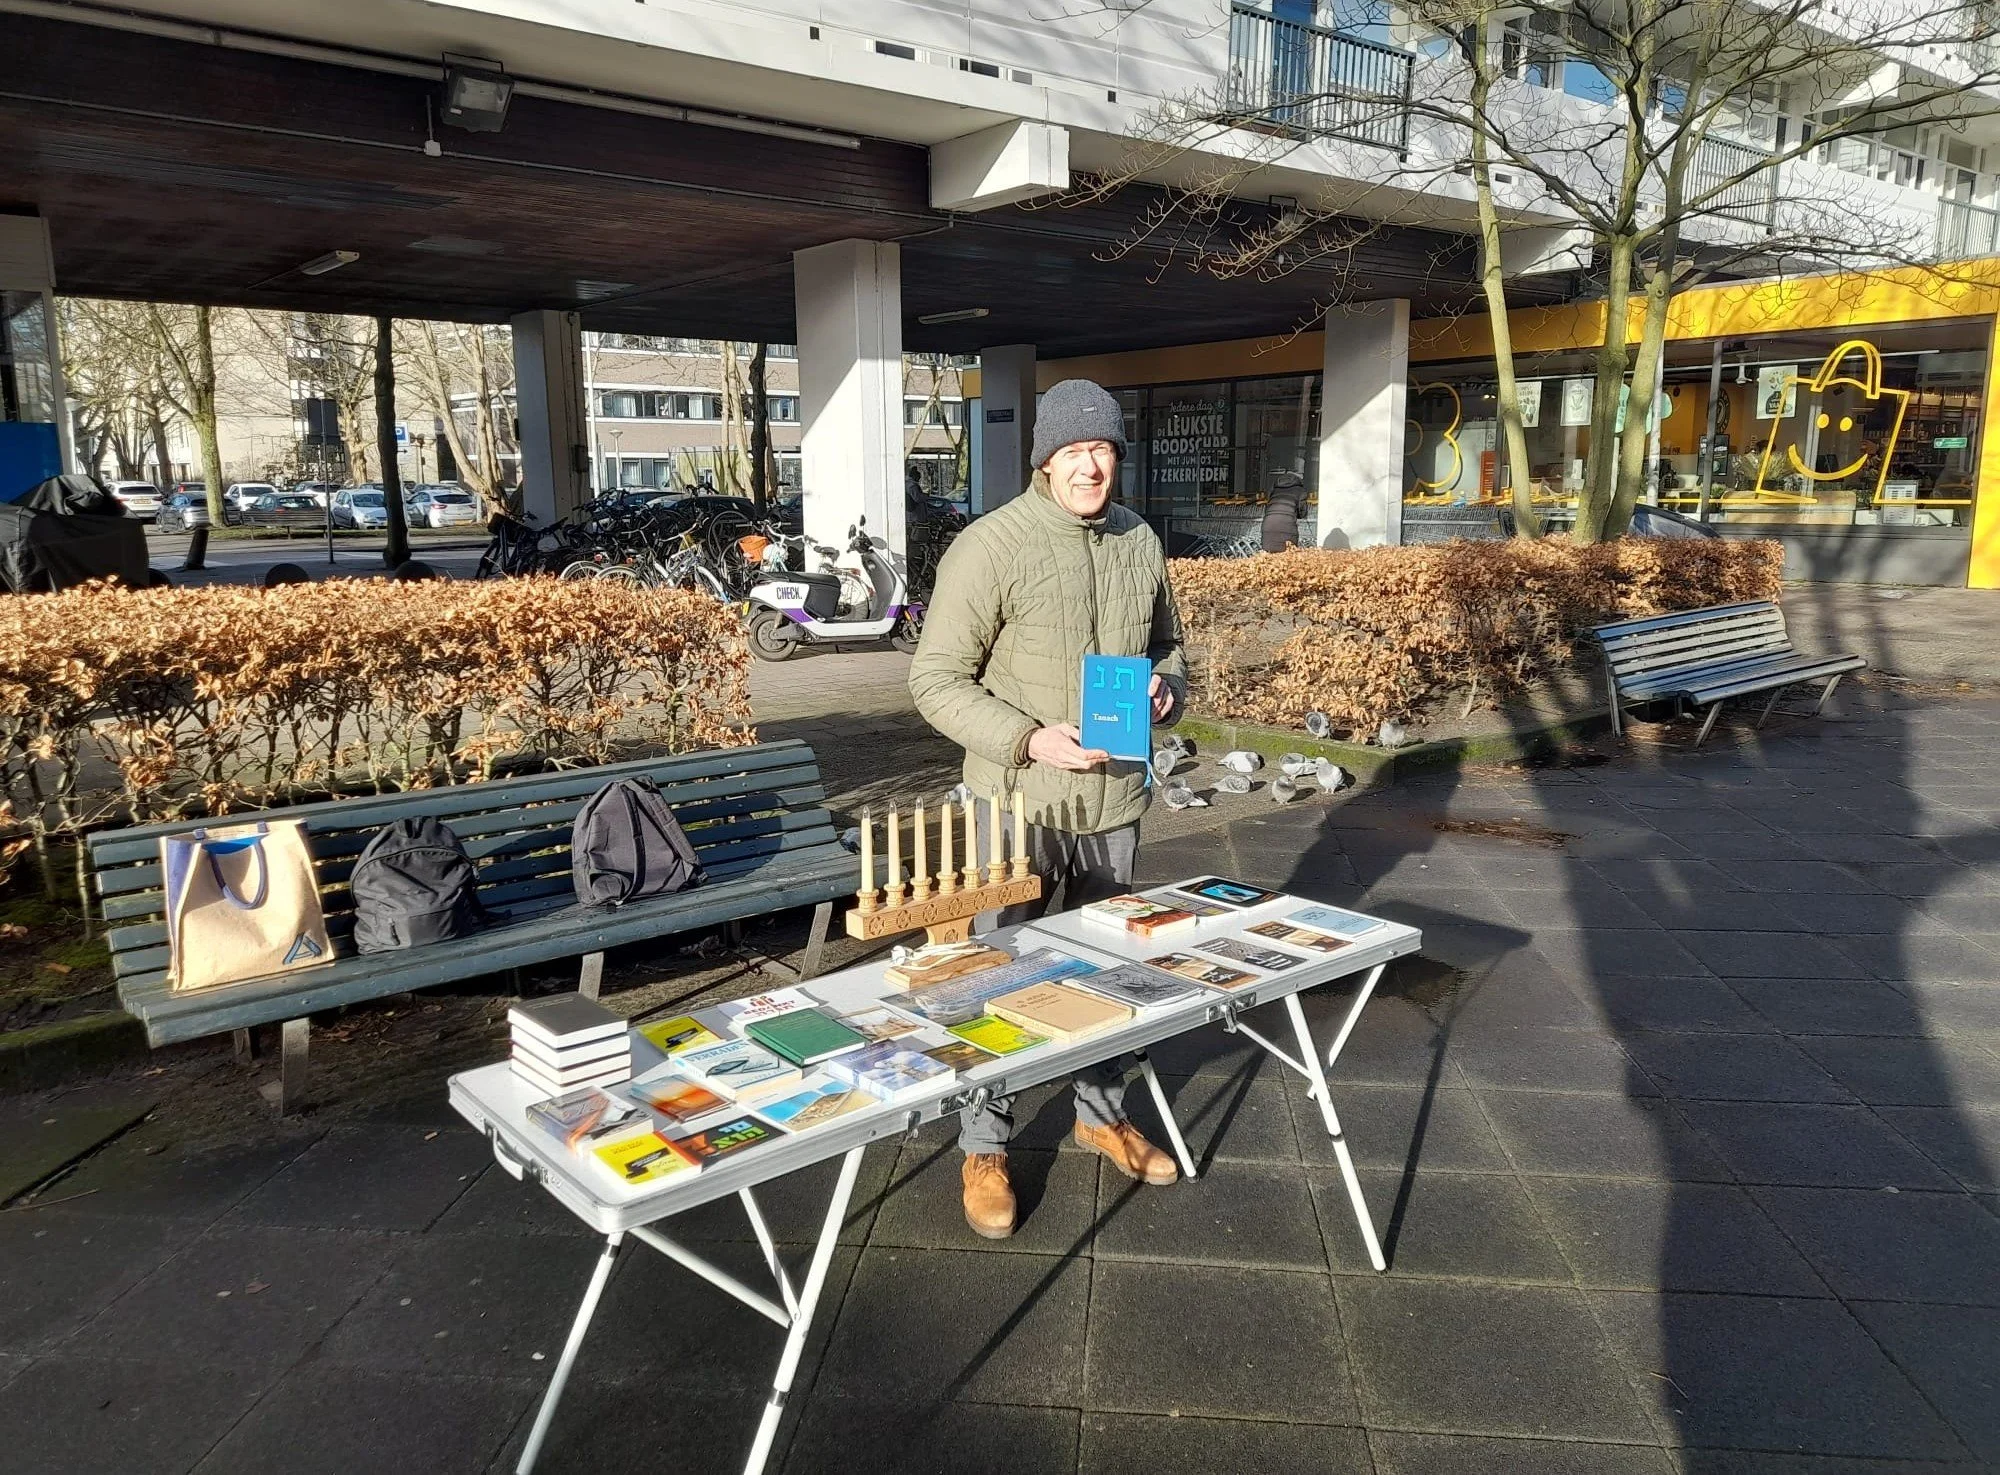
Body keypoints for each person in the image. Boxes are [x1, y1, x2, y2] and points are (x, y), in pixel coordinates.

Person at [909, 377, 1190, 1240]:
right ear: (1044, 458)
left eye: (1103, 448)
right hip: (1015, 803)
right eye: (1074, 451)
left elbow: (1167, 646)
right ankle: (985, 1145)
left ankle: (1100, 1113)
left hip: (1113, 803)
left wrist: (1167, 691)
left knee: (1107, 977)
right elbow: (934, 680)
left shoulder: (1140, 538)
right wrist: (1028, 739)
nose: (1091, 466)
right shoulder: (991, 545)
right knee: (997, 982)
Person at [1259, 467, 1306, 553]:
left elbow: (1268, 506)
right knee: (1288, 561)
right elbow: (1302, 513)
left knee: (1268, 562)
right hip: (1288, 528)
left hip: (1268, 527)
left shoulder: (1274, 489)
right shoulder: (1300, 490)